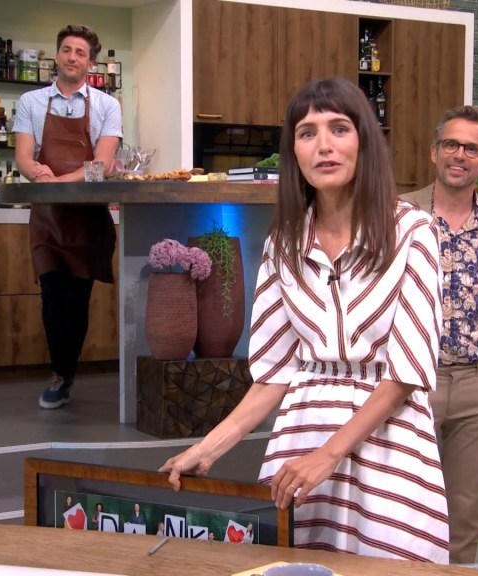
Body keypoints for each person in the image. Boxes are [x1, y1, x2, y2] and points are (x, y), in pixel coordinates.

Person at [160, 77, 449, 563]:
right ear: (293, 151)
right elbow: (273, 374)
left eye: (339, 129)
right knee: (294, 565)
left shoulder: (412, 231)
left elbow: (406, 372)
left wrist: (328, 455)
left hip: (388, 440)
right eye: (307, 133)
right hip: (302, 432)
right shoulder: (283, 244)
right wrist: (207, 449)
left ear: (364, 141)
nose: (324, 146)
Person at [400, 105, 478, 564]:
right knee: (401, 504)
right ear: (435, 152)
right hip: (411, 383)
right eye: (451, 144)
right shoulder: (399, 213)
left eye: (472, 149)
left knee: (465, 513)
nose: (460, 155)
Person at [14, 24, 122, 409]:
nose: (72, 57)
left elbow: (101, 166)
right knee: (51, 296)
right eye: (66, 50)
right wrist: (38, 174)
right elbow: (23, 157)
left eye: (80, 52)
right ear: (56, 56)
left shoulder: (107, 106)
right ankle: (59, 374)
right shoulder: (31, 101)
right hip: (47, 217)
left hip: (85, 219)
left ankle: (66, 373)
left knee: (76, 300)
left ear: (90, 63)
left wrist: (59, 181)